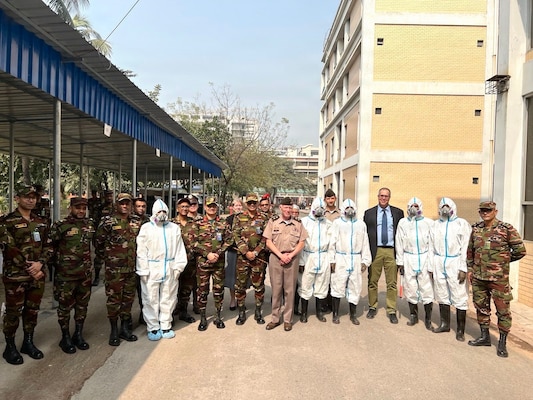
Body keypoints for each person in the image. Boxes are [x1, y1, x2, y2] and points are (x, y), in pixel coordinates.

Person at [467, 201, 526, 357]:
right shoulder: (476, 229)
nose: (485, 213)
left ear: (495, 211)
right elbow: (470, 251)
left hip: (498, 278)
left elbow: (520, 250)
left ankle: (502, 342)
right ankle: (484, 336)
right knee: (481, 306)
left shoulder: (506, 229)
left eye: (488, 210)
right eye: (482, 210)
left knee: (503, 310)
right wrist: (470, 269)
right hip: (479, 277)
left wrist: (502, 261)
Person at [1, 184, 51, 365]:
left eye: (34, 197)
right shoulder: (6, 221)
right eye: (26, 196)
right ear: (17, 198)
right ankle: (10, 347)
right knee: (13, 312)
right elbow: (10, 248)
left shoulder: (41, 221)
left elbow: (48, 245)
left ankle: (28, 342)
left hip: (36, 275)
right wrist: (30, 269)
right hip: (16, 276)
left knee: (32, 311)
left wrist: (40, 264)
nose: (31, 200)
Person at [49, 197, 95, 354]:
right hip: (66, 275)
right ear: (70, 208)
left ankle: (78, 334)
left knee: (82, 306)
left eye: (83, 208)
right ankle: (65, 336)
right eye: (78, 208)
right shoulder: (60, 226)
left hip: (85, 274)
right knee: (64, 307)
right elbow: (50, 247)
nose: (81, 211)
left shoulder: (89, 224)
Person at [95, 193, 142, 346]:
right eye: (122, 203)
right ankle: (114, 330)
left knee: (128, 299)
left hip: (131, 268)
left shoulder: (136, 221)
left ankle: (125, 328)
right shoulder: (107, 221)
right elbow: (98, 243)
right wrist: (109, 259)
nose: (125, 206)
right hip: (114, 270)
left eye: (127, 203)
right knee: (114, 300)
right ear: (117, 204)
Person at [136, 199, 187, 341]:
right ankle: (152, 327)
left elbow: (179, 249)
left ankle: (166, 325)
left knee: (169, 297)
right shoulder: (146, 228)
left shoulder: (174, 228)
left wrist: (178, 267)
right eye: (159, 212)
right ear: (153, 213)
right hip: (152, 268)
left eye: (164, 211)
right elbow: (141, 250)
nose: (162, 214)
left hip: (170, 267)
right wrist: (143, 270)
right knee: (150, 298)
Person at [263, 197, 308, 332]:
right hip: (276, 258)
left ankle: (288, 320)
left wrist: (291, 255)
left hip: (292, 259)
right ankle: (275, 318)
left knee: (290, 290)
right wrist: (281, 255)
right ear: (280, 207)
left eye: (290, 208)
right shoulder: (273, 221)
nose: (288, 210)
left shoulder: (298, 224)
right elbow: (268, 241)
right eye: (286, 207)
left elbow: (302, 242)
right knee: (276, 290)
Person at [429, 197, 471, 341]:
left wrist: (463, 267)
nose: (445, 208)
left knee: (459, 295)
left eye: (447, 206)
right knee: (441, 294)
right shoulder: (435, 225)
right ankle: (445, 324)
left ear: (452, 207)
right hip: (439, 261)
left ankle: (460, 330)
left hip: (455, 261)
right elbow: (430, 247)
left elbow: (465, 247)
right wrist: (431, 266)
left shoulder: (461, 224)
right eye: (442, 206)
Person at [364, 187, 404, 323]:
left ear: (389, 197)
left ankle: (391, 310)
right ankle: (372, 306)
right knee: (372, 281)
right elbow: (364, 235)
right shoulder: (369, 213)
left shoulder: (398, 213)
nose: (383, 198)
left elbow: (401, 233)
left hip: (391, 251)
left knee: (392, 282)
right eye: (381, 195)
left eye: (386, 196)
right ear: (377, 196)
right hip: (376, 250)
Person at [328, 199, 371, 325]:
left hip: (356, 258)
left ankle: (353, 314)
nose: (350, 210)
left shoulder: (361, 224)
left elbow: (365, 242)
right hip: (341, 258)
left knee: (355, 286)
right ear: (342, 209)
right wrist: (332, 259)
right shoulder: (337, 223)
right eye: (347, 207)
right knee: (338, 285)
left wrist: (365, 261)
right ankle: (335, 314)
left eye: (351, 207)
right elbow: (332, 242)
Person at [395, 197, 434, 329]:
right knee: (410, 287)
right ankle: (413, 315)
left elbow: (432, 244)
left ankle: (428, 318)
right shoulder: (403, 223)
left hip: (424, 257)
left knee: (426, 287)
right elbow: (399, 242)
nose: (414, 208)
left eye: (416, 206)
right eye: (411, 205)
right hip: (408, 257)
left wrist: (431, 263)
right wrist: (400, 261)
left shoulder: (429, 223)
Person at [194, 197, 230, 331]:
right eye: (209, 206)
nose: (212, 208)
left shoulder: (223, 223)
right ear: (205, 207)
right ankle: (203, 318)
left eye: (214, 206)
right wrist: (206, 254)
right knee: (202, 291)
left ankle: (217, 316)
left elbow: (229, 240)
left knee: (218, 291)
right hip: (203, 263)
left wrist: (218, 253)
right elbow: (193, 242)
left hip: (218, 264)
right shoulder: (197, 223)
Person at [233, 193, 269, 325]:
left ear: (257, 204)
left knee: (259, 286)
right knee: (240, 286)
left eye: (254, 203)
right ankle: (241, 312)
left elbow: (266, 237)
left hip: (258, 258)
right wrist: (245, 251)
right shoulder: (239, 217)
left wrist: (256, 251)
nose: (252, 205)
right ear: (246, 204)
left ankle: (258, 312)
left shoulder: (264, 218)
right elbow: (235, 235)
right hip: (243, 258)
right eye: (250, 203)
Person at [298, 197, 332, 323]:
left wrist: (331, 260)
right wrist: (301, 262)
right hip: (308, 256)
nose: (319, 210)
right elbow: (300, 243)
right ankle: (304, 313)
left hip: (323, 256)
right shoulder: (304, 222)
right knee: (305, 284)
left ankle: (319, 312)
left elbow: (332, 244)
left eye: (322, 208)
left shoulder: (328, 223)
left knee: (321, 285)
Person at [172, 197, 198, 324]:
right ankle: (172, 310)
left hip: (190, 262)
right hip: (174, 262)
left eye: (187, 206)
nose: (184, 209)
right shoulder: (170, 224)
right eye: (182, 206)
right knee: (173, 287)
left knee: (187, 287)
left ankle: (183, 311)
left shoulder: (194, 223)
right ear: (177, 208)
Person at [92, 189, 115, 286]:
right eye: (107, 196)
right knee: (99, 258)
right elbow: (95, 221)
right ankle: (97, 277)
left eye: (110, 196)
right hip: (101, 235)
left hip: (112, 236)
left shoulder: (116, 207)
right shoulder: (100, 207)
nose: (109, 198)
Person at [225, 198, 243, 312]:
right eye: (236, 205)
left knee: (242, 278)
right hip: (232, 251)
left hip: (244, 252)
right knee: (231, 277)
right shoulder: (228, 219)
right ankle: (232, 299)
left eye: (240, 205)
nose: (238, 207)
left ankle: (241, 299)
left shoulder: (246, 218)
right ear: (231, 207)